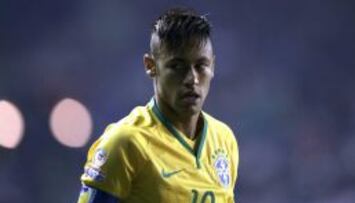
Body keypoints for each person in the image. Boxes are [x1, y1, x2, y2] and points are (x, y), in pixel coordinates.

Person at [77, 7, 239, 203]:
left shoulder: (224, 140)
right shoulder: (125, 143)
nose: (192, 79)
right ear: (151, 66)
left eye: (201, 66)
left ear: (212, 66)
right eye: (177, 67)